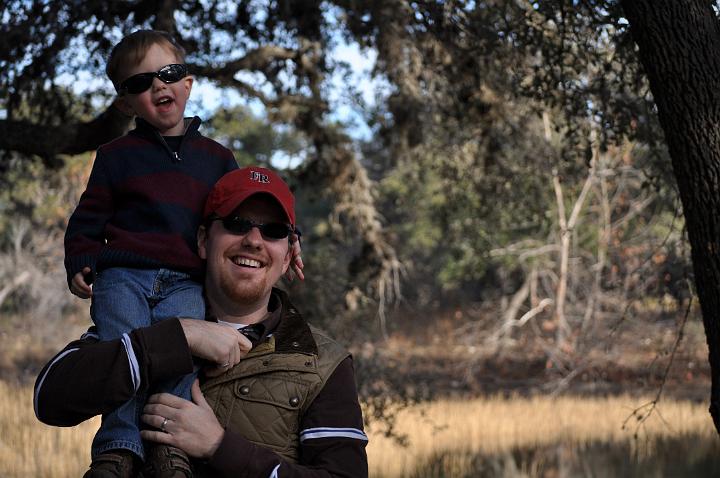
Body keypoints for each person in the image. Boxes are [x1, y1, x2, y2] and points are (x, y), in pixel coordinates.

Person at [36, 166, 368, 477]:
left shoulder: (320, 362)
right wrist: (180, 336)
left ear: (287, 256)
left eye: (273, 231)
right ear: (203, 240)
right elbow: (49, 399)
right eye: (237, 223)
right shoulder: (146, 322)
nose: (253, 240)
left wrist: (220, 447)